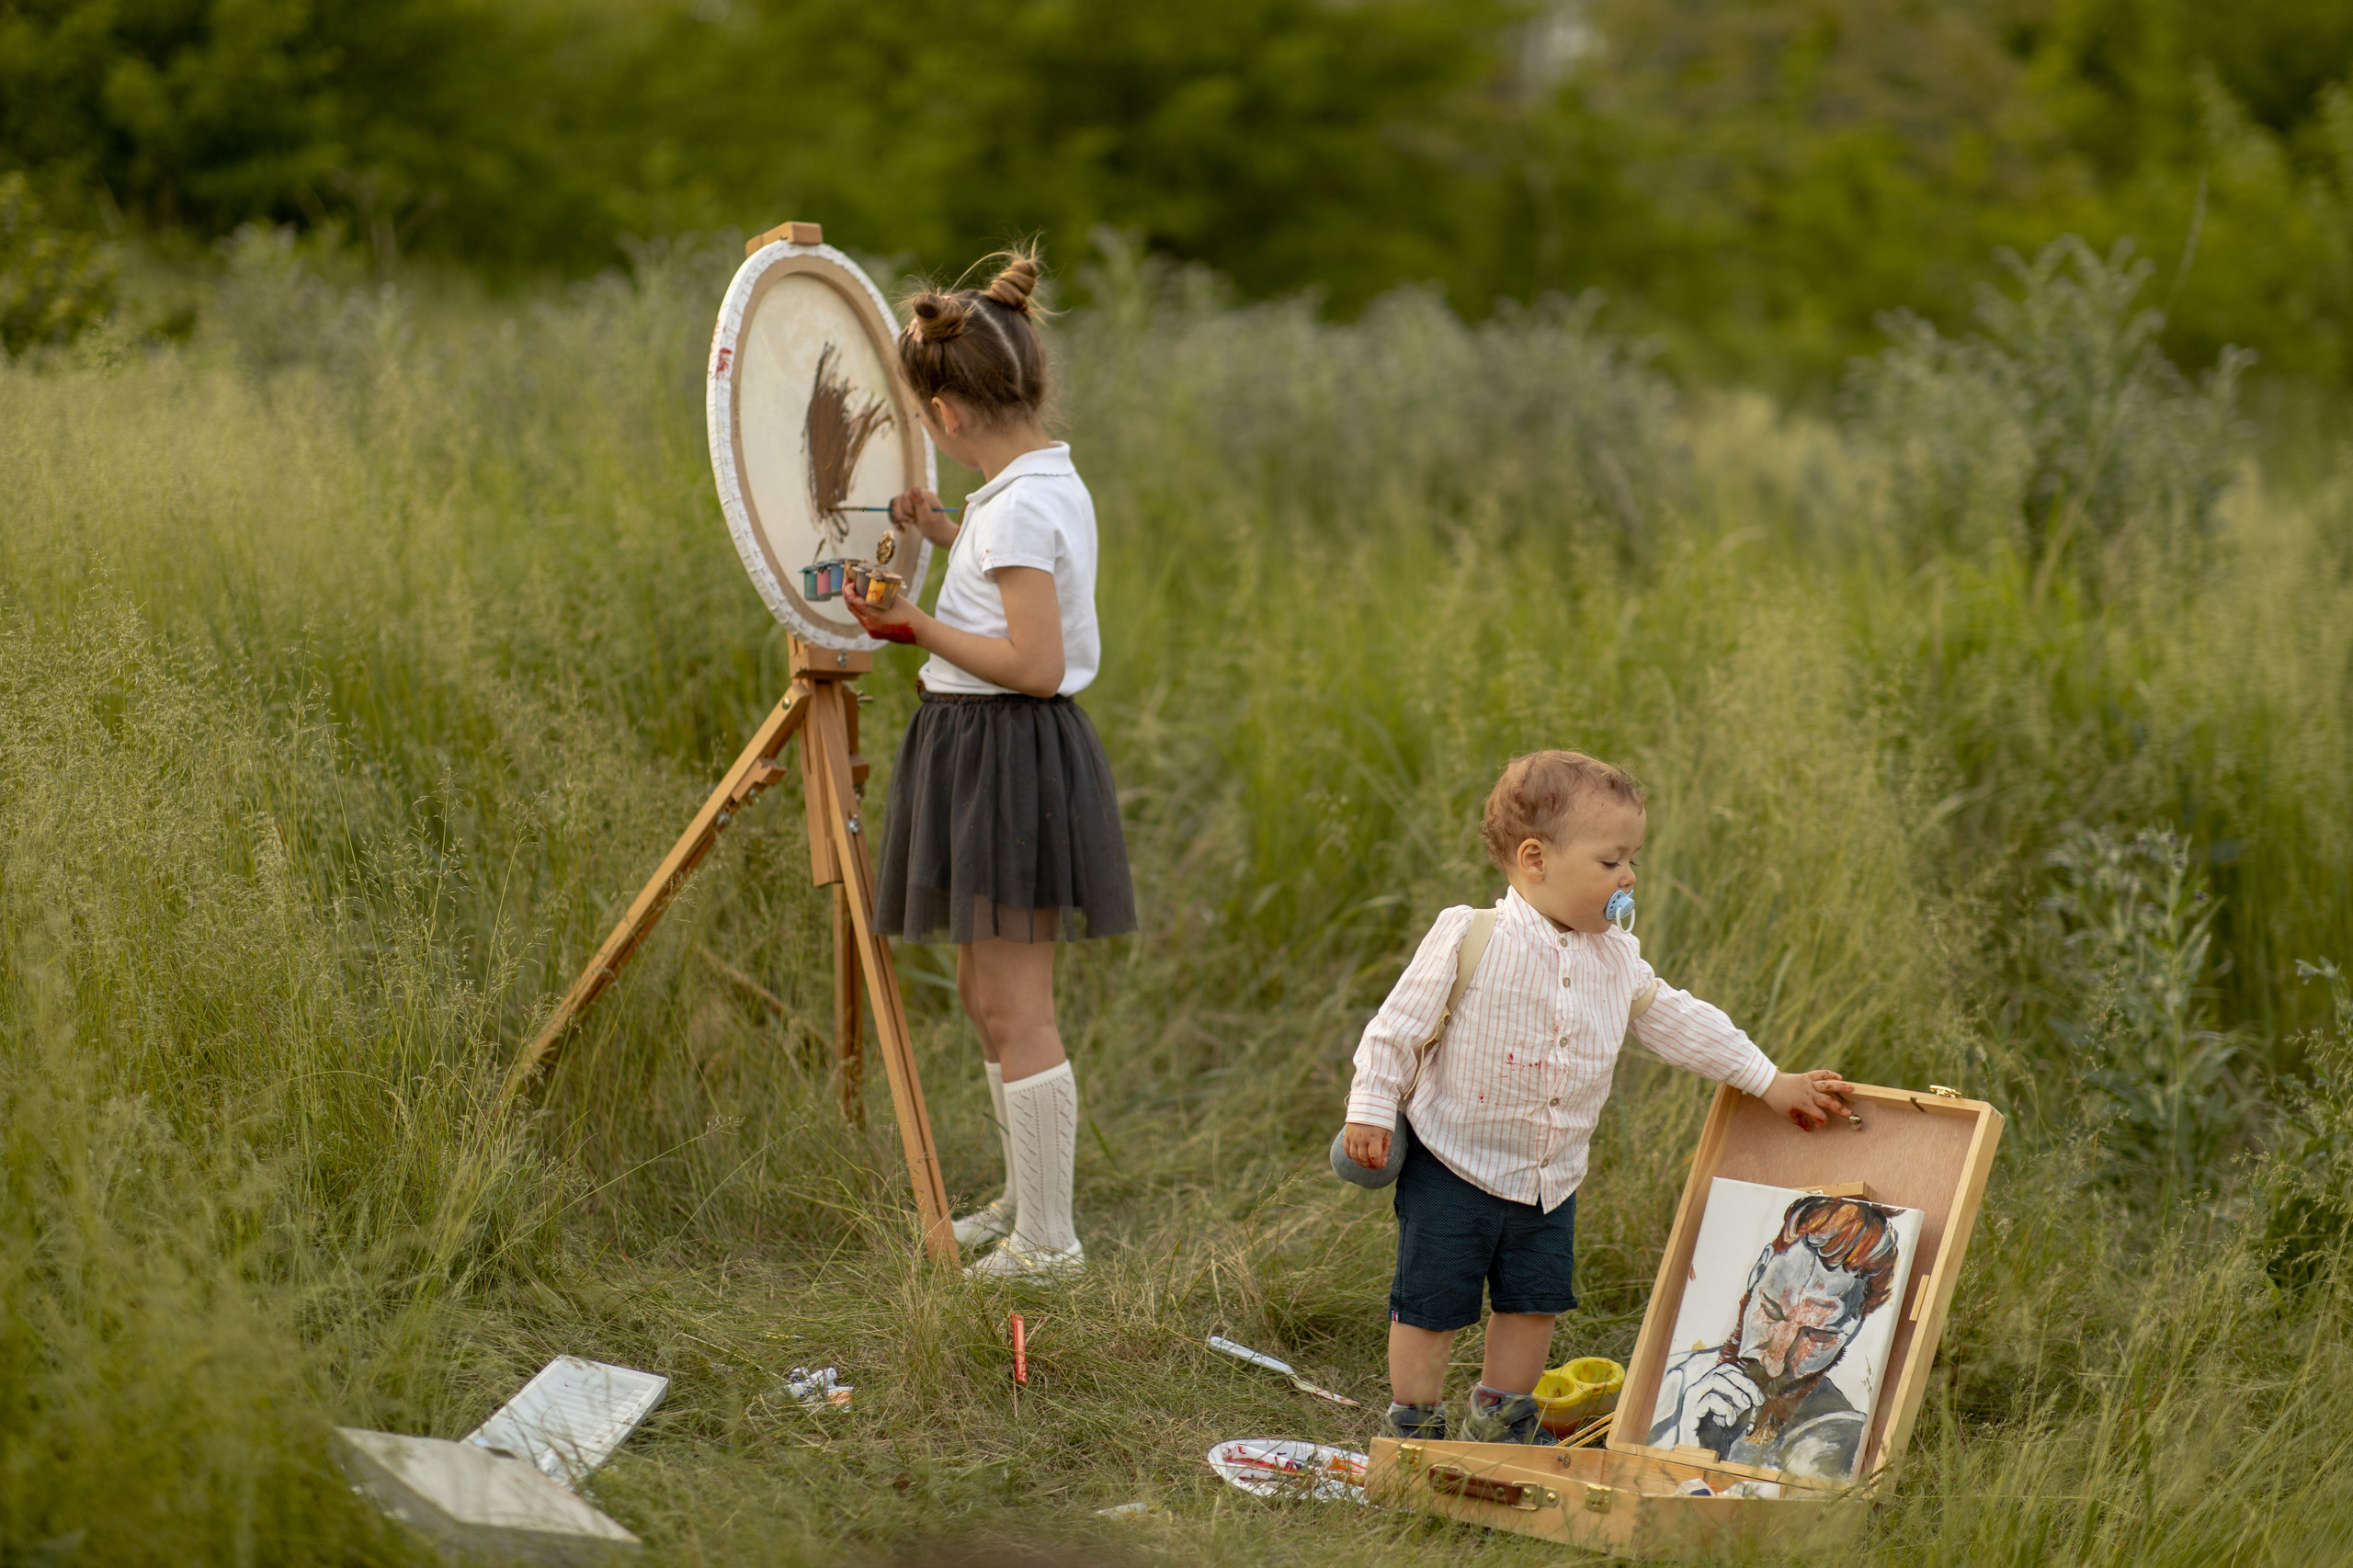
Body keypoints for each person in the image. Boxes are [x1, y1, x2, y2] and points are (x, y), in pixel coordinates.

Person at [1339, 751, 1855, 1442]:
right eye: (1611, 862)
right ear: (1535, 859)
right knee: (1433, 1304)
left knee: (1532, 1306)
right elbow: (1395, 1032)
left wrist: (1766, 1080)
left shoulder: (1615, 956)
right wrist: (1371, 1108)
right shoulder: (1471, 937)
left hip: (1550, 1181)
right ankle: (1414, 1423)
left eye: (1632, 859)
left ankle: (1501, 1420)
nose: (1630, 877)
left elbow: (1676, 1019)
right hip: (1453, 1163)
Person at [844, 248, 1134, 1282]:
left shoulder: (1019, 504)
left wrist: (916, 621)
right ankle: (1026, 1197)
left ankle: (1049, 1241)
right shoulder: (1030, 483)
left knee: (1016, 1002)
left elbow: (1035, 660)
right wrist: (944, 529)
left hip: (1008, 753)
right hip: (983, 751)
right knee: (981, 987)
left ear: (948, 415)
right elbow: (1017, 579)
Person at [1645, 1194, 1903, 1481]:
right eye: (1771, 1312)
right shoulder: (1668, 1378)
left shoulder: (1837, 1439)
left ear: (1853, 1328)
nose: (1775, 1363)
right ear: (1757, 1271)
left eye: (1817, 1335)